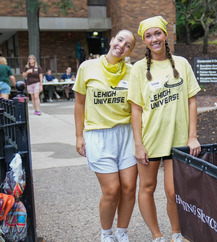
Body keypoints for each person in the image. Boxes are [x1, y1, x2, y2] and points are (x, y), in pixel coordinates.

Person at [128, 16, 201, 242]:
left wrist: (192, 136)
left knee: (173, 192)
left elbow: (191, 101)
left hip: (177, 141)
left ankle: (176, 233)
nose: (154, 39)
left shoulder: (182, 63)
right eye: (148, 36)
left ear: (165, 35)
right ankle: (156, 235)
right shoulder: (139, 69)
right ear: (144, 40)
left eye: (157, 33)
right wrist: (138, 145)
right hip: (150, 141)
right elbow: (136, 110)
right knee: (147, 188)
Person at [73, 30, 137, 242]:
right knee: (112, 189)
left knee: (128, 187)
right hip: (98, 134)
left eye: (128, 44)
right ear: (111, 41)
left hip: (126, 134)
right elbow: (80, 103)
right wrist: (78, 136)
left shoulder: (132, 72)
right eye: (120, 40)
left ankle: (122, 231)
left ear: (129, 51)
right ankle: (106, 233)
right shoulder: (87, 67)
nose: (122, 45)